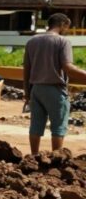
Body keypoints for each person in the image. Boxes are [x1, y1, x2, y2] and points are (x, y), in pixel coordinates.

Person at [24, 13, 86, 154]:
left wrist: (27, 92)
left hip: (36, 89)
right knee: (58, 127)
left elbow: (26, 69)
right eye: (67, 27)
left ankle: (33, 157)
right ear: (63, 24)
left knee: (36, 126)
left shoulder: (32, 41)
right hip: (55, 90)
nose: (67, 31)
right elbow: (68, 68)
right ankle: (56, 160)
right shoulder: (62, 41)